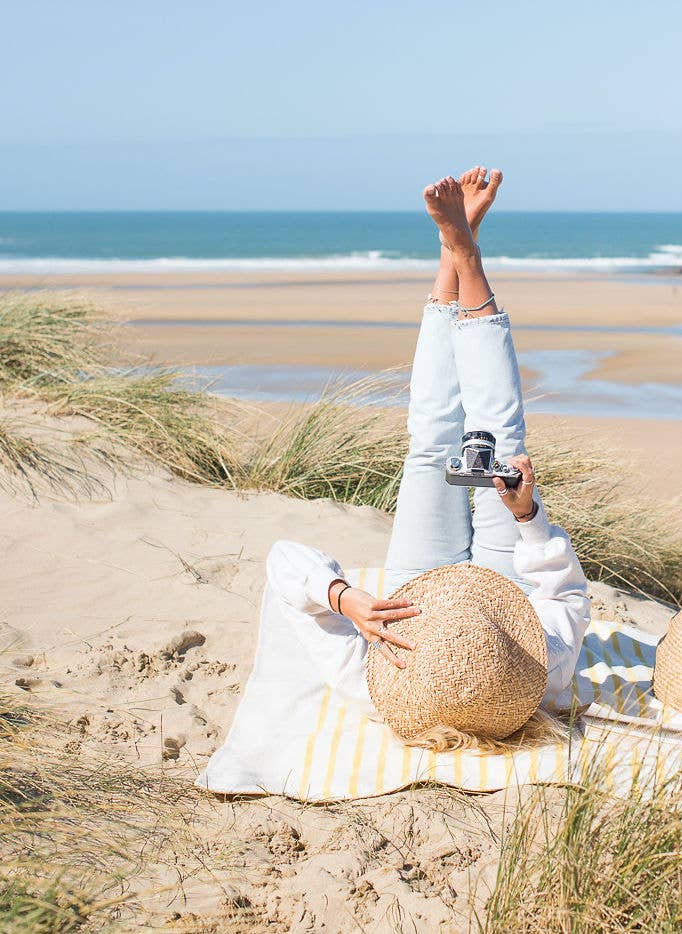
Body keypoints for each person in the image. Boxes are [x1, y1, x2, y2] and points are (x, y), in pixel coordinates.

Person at [260, 168, 590, 749]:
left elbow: (284, 564)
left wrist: (348, 601)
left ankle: (453, 255)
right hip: (498, 589)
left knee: (436, 442)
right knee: (489, 440)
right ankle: (467, 255)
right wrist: (525, 514)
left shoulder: (373, 686)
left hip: (408, 601)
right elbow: (562, 596)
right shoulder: (541, 673)